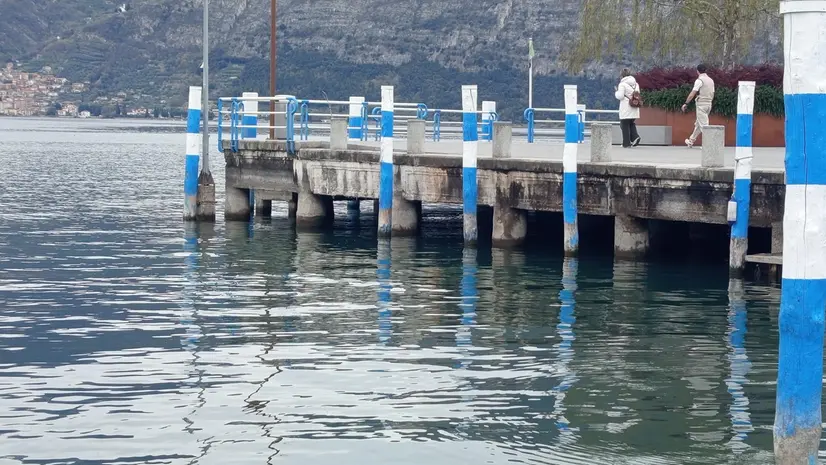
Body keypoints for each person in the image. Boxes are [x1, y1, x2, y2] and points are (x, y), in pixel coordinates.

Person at [681, 64, 715, 148]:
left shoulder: (699, 80)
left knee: (704, 125)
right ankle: (691, 140)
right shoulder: (711, 80)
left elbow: (693, 93)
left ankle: (708, 144)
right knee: (699, 124)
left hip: (701, 104)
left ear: (697, 71)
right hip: (709, 104)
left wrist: (686, 103)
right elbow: (713, 93)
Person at [615, 68, 641, 148]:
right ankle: (635, 137)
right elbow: (637, 94)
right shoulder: (636, 84)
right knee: (631, 123)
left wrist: (616, 92)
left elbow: (620, 96)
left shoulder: (622, 84)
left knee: (624, 124)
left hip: (626, 107)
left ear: (622, 75)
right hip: (634, 105)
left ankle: (626, 143)